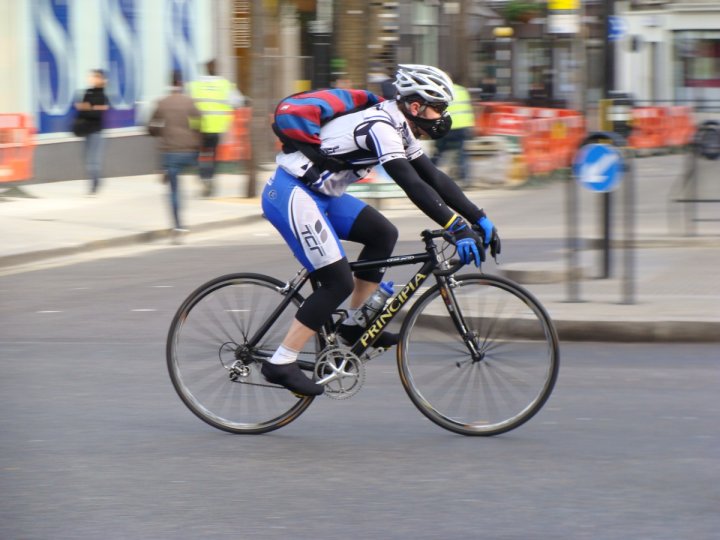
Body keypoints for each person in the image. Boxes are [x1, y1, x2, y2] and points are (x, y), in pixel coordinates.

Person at [260, 64, 500, 396]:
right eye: (439, 108)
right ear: (416, 106)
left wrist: (479, 218)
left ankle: (351, 328)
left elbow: (433, 177)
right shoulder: (381, 125)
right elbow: (410, 183)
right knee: (337, 281)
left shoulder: (400, 125)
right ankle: (281, 361)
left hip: (323, 196)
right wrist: (455, 227)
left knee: (382, 234)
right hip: (291, 193)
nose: (443, 116)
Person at [148, 70, 202, 239]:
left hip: (169, 150)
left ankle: (178, 226)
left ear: (169, 83)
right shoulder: (189, 102)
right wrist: (195, 137)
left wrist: (159, 131)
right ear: (182, 83)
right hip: (188, 149)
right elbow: (200, 123)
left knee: (174, 189)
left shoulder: (162, 103)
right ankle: (202, 177)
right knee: (187, 175)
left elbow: (151, 126)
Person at [186, 60, 244, 197]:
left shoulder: (194, 85)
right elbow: (238, 102)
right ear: (217, 69)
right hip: (216, 127)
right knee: (212, 156)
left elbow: (186, 103)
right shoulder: (225, 85)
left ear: (205, 69)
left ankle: (202, 177)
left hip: (197, 128)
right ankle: (210, 179)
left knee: (198, 154)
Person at [431, 75, 475, 187]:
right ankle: (465, 179)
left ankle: (429, 175)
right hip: (463, 127)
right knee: (462, 153)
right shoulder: (462, 90)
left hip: (447, 127)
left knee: (439, 152)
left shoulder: (441, 91)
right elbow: (469, 108)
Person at [74, 69, 109, 195]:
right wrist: (89, 108)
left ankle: (94, 183)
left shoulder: (102, 95)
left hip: (96, 131)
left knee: (93, 160)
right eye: (91, 77)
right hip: (86, 130)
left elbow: (97, 113)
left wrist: (88, 108)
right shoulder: (88, 92)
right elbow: (83, 110)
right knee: (87, 159)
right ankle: (95, 181)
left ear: (100, 79)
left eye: (94, 77)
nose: (91, 79)